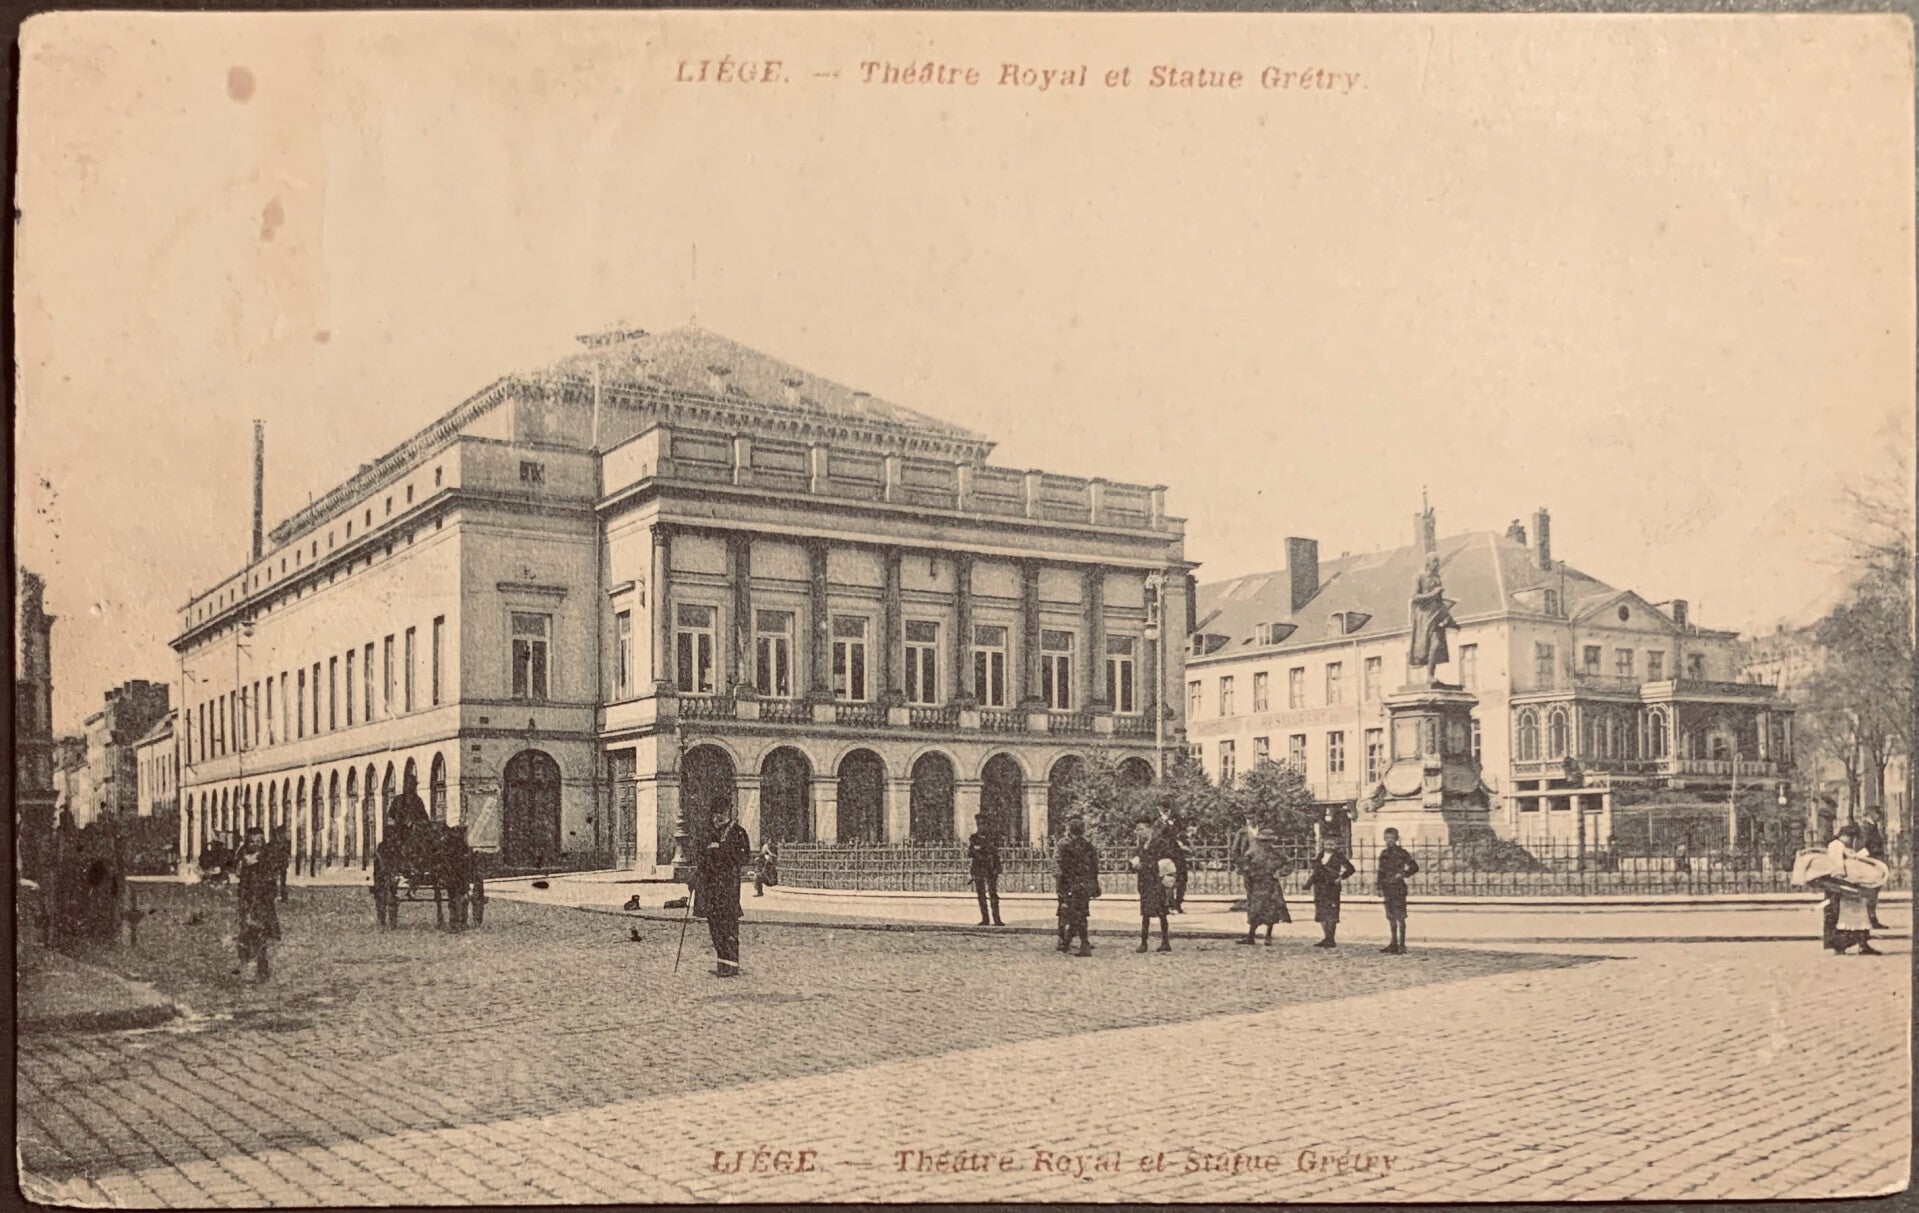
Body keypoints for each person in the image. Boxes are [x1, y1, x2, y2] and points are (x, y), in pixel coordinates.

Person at [693, 802, 753, 977]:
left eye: (720, 814)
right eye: (714, 814)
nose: (716, 818)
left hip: (728, 885)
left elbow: (743, 857)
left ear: (727, 813)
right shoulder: (710, 833)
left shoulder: (738, 832)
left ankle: (732, 964)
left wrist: (721, 850)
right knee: (714, 925)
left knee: (728, 924)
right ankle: (722, 964)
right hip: (710, 886)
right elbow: (700, 854)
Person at [1824, 824, 1881, 956]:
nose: (1852, 840)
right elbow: (1838, 865)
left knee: (1856, 916)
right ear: (1844, 835)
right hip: (1844, 886)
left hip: (1850, 886)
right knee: (1848, 917)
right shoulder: (1836, 845)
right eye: (1851, 837)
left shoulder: (1842, 845)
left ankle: (1861, 944)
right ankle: (1846, 946)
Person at [233, 827, 281, 982]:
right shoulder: (242, 854)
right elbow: (237, 871)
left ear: (263, 841)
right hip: (246, 898)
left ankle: (261, 967)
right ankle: (248, 964)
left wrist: (270, 895)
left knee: (260, 932)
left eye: (259, 841)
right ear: (247, 841)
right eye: (252, 841)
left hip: (262, 899)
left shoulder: (267, 856)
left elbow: (272, 877)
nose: (255, 844)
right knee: (246, 931)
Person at [1236, 828, 1291, 946]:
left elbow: (1288, 864)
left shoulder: (1277, 853)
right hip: (1257, 884)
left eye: (1268, 841)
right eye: (1263, 841)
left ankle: (1268, 936)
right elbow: (1244, 865)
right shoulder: (1252, 852)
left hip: (1271, 884)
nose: (1266, 844)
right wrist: (1249, 875)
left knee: (1271, 910)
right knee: (1255, 910)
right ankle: (1251, 936)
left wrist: (1280, 872)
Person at [1055, 817, 1101, 957]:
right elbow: (1095, 867)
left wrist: (1063, 888)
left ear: (1070, 830)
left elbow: (1064, 869)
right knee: (1081, 914)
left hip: (1072, 886)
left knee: (1075, 915)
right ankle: (1072, 942)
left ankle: (1081, 944)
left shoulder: (1068, 847)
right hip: (1085, 885)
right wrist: (1093, 884)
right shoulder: (1090, 846)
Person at [1132, 815, 1176, 953]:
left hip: (1157, 883)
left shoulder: (1159, 843)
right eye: (1137, 829)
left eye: (1141, 829)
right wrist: (1134, 865)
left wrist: (1144, 866)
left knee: (1162, 913)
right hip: (1145, 883)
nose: (1138, 832)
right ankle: (1144, 942)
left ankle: (1165, 942)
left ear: (1149, 829)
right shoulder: (1140, 846)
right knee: (1145, 914)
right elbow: (1134, 860)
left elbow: (1165, 862)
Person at [1376, 827, 1420, 953]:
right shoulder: (1384, 853)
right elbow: (1380, 871)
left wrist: (1404, 874)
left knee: (1400, 917)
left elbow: (1414, 866)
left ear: (1397, 839)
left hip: (1399, 888)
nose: (1390, 840)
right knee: (1391, 917)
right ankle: (1393, 943)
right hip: (1387, 887)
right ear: (1384, 839)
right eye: (1387, 838)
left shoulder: (1402, 852)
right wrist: (1379, 887)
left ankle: (1402, 944)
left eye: (1392, 838)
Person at [1305, 844, 1357, 948]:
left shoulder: (1338, 856)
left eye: (1332, 843)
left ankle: (1331, 938)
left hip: (1332, 887)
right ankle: (1326, 937)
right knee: (1321, 912)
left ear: (1336, 843)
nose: (1329, 845)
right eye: (1327, 842)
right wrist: (1308, 884)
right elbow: (1316, 872)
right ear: (1323, 843)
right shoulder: (1319, 856)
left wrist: (1341, 877)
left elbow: (1351, 869)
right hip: (1319, 887)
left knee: (1332, 912)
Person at [967, 815, 1004, 927]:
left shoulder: (992, 838)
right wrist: (975, 849)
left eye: (982, 823)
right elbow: (970, 853)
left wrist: (981, 849)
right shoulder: (974, 838)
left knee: (992, 893)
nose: (981, 826)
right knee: (982, 894)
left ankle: (996, 919)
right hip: (979, 869)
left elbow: (995, 852)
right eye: (979, 824)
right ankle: (985, 919)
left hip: (990, 868)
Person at [1858, 810, 1890, 930]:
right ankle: (1870, 920)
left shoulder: (1872, 827)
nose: (1880, 817)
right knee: (1870, 894)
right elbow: (1865, 846)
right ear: (1872, 814)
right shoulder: (1866, 827)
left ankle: (1872, 919)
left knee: (1873, 894)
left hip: (1874, 862)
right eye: (1878, 814)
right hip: (1871, 864)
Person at [1227, 810, 1260, 913]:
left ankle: (1259, 906)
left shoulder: (1262, 830)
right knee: (1249, 885)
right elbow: (1234, 849)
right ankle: (1252, 906)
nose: (1251, 821)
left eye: (1253, 818)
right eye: (1248, 818)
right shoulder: (1242, 832)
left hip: (1261, 862)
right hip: (1247, 862)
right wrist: (1240, 862)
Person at [1166, 814, 1191, 913]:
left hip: (1180, 861)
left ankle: (1178, 904)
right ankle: (1171, 905)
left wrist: (1184, 846)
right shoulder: (1168, 836)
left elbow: (1191, 848)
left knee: (1182, 882)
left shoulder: (1182, 835)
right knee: (1171, 882)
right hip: (1171, 860)